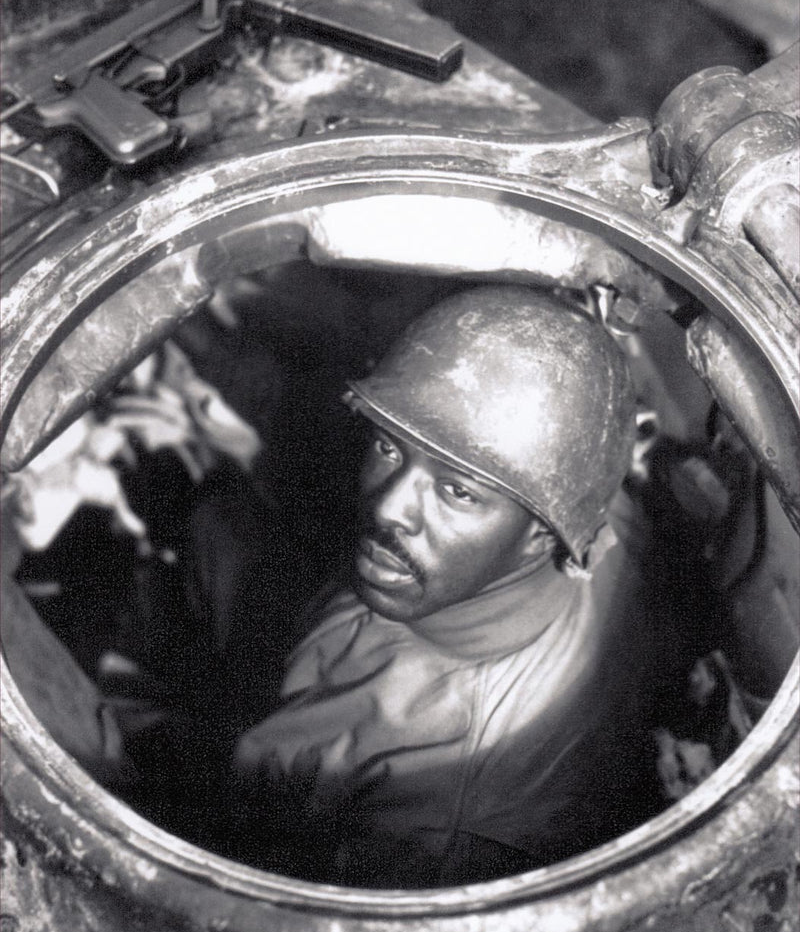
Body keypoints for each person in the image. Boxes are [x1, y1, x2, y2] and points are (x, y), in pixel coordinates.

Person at [229, 283, 674, 888]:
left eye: (457, 491)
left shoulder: (440, 823)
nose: (389, 508)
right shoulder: (577, 495)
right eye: (390, 447)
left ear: (544, 535)